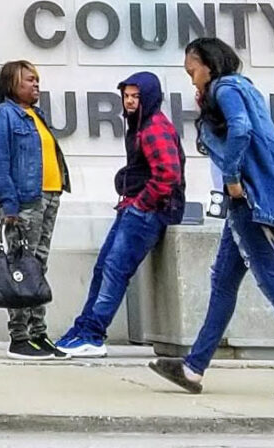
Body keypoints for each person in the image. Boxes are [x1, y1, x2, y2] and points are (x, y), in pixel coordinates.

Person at [149, 37, 274, 402]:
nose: (192, 80)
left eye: (193, 71)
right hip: (249, 202)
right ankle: (193, 367)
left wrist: (233, 178)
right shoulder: (241, 89)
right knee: (223, 282)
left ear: (209, 65)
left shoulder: (226, 90)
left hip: (248, 201)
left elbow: (240, 130)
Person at [53, 70, 184, 357]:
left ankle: (92, 334)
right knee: (104, 267)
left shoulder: (153, 128)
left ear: (149, 97)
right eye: (126, 96)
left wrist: (142, 203)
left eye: (136, 96)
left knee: (114, 271)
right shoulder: (140, 126)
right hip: (136, 207)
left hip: (148, 211)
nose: (130, 102)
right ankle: (85, 328)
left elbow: (169, 174)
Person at [0, 58, 68, 358]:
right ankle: (19, 337)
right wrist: (9, 206)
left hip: (49, 196)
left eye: (37, 79)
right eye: (29, 79)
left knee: (37, 268)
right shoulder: (3, 115)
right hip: (24, 202)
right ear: (12, 83)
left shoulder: (36, 115)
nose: (36, 84)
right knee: (19, 268)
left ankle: (39, 334)